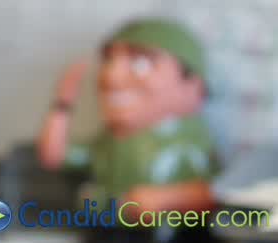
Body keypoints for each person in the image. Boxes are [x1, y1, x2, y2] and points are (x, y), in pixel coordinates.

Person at [38, 18, 218, 241]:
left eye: (140, 63)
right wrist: (62, 105)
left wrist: (167, 199)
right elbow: (54, 157)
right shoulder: (109, 140)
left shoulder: (188, 140)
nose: (111, 77)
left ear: (193, 87)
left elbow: (213, 193)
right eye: (109, 61)